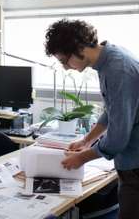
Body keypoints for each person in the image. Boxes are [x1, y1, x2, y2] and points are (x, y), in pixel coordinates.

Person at [44, 18, 139, 218]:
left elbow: (118, 138)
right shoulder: (108, 61)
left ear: (80, 47)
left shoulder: (118, 69)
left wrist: (81, 158)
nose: (66, 68)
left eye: (64, 60)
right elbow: (112, 111)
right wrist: (87, 140)